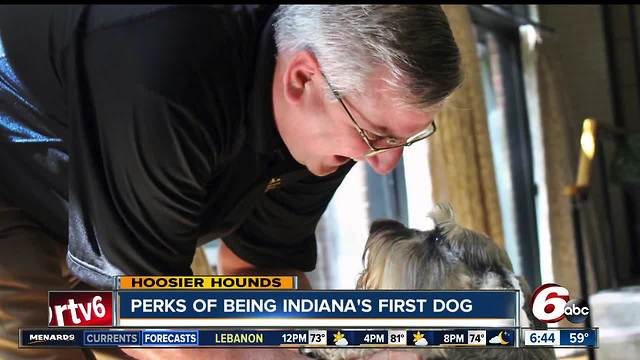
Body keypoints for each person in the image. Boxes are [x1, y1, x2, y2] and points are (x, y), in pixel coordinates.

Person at [0, 4, 461, 359]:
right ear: (301, 80)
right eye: (376, 135)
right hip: (16, 174)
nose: (385, 163)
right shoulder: (173, 73)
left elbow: (256, 271)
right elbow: (149, 322)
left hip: (120, 214)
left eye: (405, 138)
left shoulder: (330, 108)